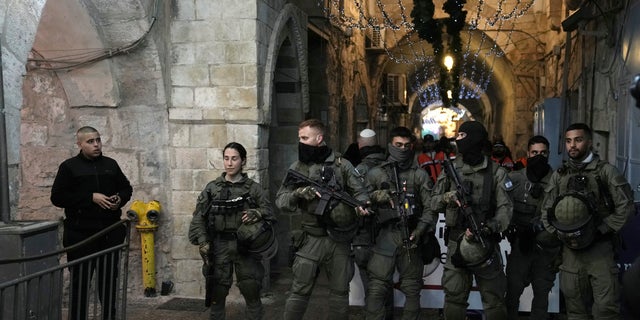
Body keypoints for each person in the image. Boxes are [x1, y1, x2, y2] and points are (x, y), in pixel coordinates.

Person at [275, 118, 369, 320]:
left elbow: (361, 193)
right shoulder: (298, 167)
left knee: (340, 293)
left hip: (339, 239)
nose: (300, 142)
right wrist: (299, 194)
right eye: (299, 138)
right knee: (299, 291)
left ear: (319, 138)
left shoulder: (342, 164)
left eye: (304, 138)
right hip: (310, 238)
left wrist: (362, 206)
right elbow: (281, 200)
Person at [541, 123, 634, 320]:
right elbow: (546, 211)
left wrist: (602, 229)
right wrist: (561, 233)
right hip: (570, 254)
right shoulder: (560, 175)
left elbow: (625, 207)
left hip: (600, 251)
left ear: (590, 142)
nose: (572, 145)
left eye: (578, 140)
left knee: (606, 310)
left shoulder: (606, 172)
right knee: (575, 312)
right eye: (568, 141)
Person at [430, 121, 513, 320]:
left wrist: (488, 228)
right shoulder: (451, 169)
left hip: (485, 244)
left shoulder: (496, 173)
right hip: (456, 244)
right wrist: (449, 197)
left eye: (461, 136)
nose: (457, 140)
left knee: (494, 300)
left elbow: (505, 210)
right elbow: (433, 203)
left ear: (473, 139)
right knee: (454, 298)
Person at [51, 126, 133, 320]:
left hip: (109, 232)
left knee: (108, 282)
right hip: (80, 235)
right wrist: (90, 197)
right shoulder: (69, 167)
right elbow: (58, 197)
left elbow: (126, 188)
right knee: (80, 283)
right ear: (79, 144)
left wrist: (119, 199)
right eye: (90, 141)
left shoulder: (111, 165)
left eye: (98, 140)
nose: (96, 145)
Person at [188, 142, 276, 320]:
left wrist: (257, 212)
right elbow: (198, 217)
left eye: (234, 159)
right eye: (226, 158)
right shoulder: (212, 188)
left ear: (243, 161)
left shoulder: (253, 188)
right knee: (217, 292)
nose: (229, 163)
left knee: (251, 289)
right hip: (218, 245)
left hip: (246, 246)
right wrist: (203, 241)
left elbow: (271, 213)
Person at [364, 126, 436, 320]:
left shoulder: (419, 175)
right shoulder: (377, 174)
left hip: (411, 238)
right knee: (377, 289)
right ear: (390, 145)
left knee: (412, 290)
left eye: (406, 145)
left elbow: (431, 207)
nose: (402, 149)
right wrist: (375, 197)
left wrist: (420, 230)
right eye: (398, 145)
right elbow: (360, 202)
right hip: (385, 236)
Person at [504, 135, 562, 319]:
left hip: (546, 249)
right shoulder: (514, 179)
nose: (539, 156)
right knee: (512, 293)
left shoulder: (558, 181)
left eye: (543, 153)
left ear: (549, 154)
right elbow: (502, 208)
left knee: (542, 296)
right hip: (521, 247)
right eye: (535, 152)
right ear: (528, 154)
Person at [351, 129, 386, 299]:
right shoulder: (388, 165)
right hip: (387, 229)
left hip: (365, 231)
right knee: (384, 277)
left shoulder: (359, 169)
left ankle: (373, 311)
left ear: (360, 145)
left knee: (367, 275)